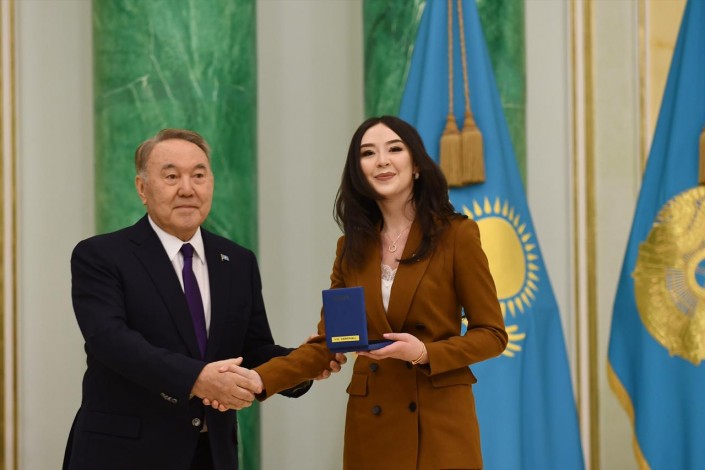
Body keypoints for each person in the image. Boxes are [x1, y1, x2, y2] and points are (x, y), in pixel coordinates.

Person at [213, 115, 508, 469]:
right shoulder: (351, 247)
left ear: (416, 165)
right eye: (368, 153)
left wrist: (424, 352)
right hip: (372, 425)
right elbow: (330, 343)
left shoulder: (457, 235)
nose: (381, 160)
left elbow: (492, 334)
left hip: (439, 421)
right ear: (359, 172)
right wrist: (259, 378)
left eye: (394, 149)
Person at [63, 128, 342, 470]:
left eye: (198, 175)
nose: (187, 189)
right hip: (124, 454)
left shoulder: (237, 261)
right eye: (171, 176)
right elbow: (112, 342)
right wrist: (197, 378)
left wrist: (303, 363)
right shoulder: (101, 255)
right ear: (142, 188)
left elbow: (252, 349)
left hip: (211, 454)